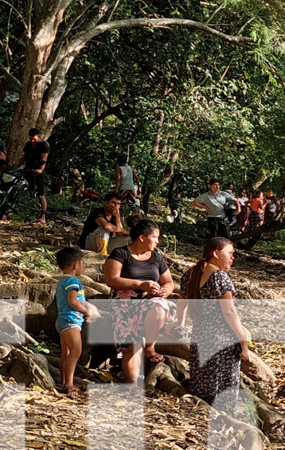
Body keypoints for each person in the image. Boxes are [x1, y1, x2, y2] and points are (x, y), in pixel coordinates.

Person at [103, 219, 175, 383]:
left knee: (159, 307)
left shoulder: (156, 257)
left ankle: (150, 346)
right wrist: (140, 284)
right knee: (131, 347)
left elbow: (169, 282)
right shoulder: (120, 254)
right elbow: (111, 279)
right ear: (142, 237)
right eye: (155, 237)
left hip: (151, 301)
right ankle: (134, 385)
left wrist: (166, 290)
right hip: (124, 304)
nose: (158, 241)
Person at [183, 236, 251, 408]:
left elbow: (182, 301)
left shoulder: (189, 275)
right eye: (229, 253)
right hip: (223, 339)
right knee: (223, 388)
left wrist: (178, 322)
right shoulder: (220, 278)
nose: (232, 257)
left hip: (200, 335)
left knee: (202, 382)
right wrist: (243, 340)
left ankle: (202, 417)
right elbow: (229, 311)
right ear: (215, 253)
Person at [54, 246, 99, 396]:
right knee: (76, 351)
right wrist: (86, 310)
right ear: (76, 265)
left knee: (66, 353)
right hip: (70, 321)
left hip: (64, 321)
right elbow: (73, 301)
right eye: (83, 263)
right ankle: (69, 384)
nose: (83, 267)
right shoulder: (73, 281)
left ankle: (63, 382)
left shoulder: (62, 281)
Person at [23, 128, 50, 224]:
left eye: (34, 139)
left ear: (39, 137)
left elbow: (44, 158)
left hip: (37, 170)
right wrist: (16, 166)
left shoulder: (44, 145)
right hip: (28, 168)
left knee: (40, 194)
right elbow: (24, 157)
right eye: (31, 139)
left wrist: (40, 169)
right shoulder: (28, 144)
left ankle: (43, 216)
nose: (32, 141)